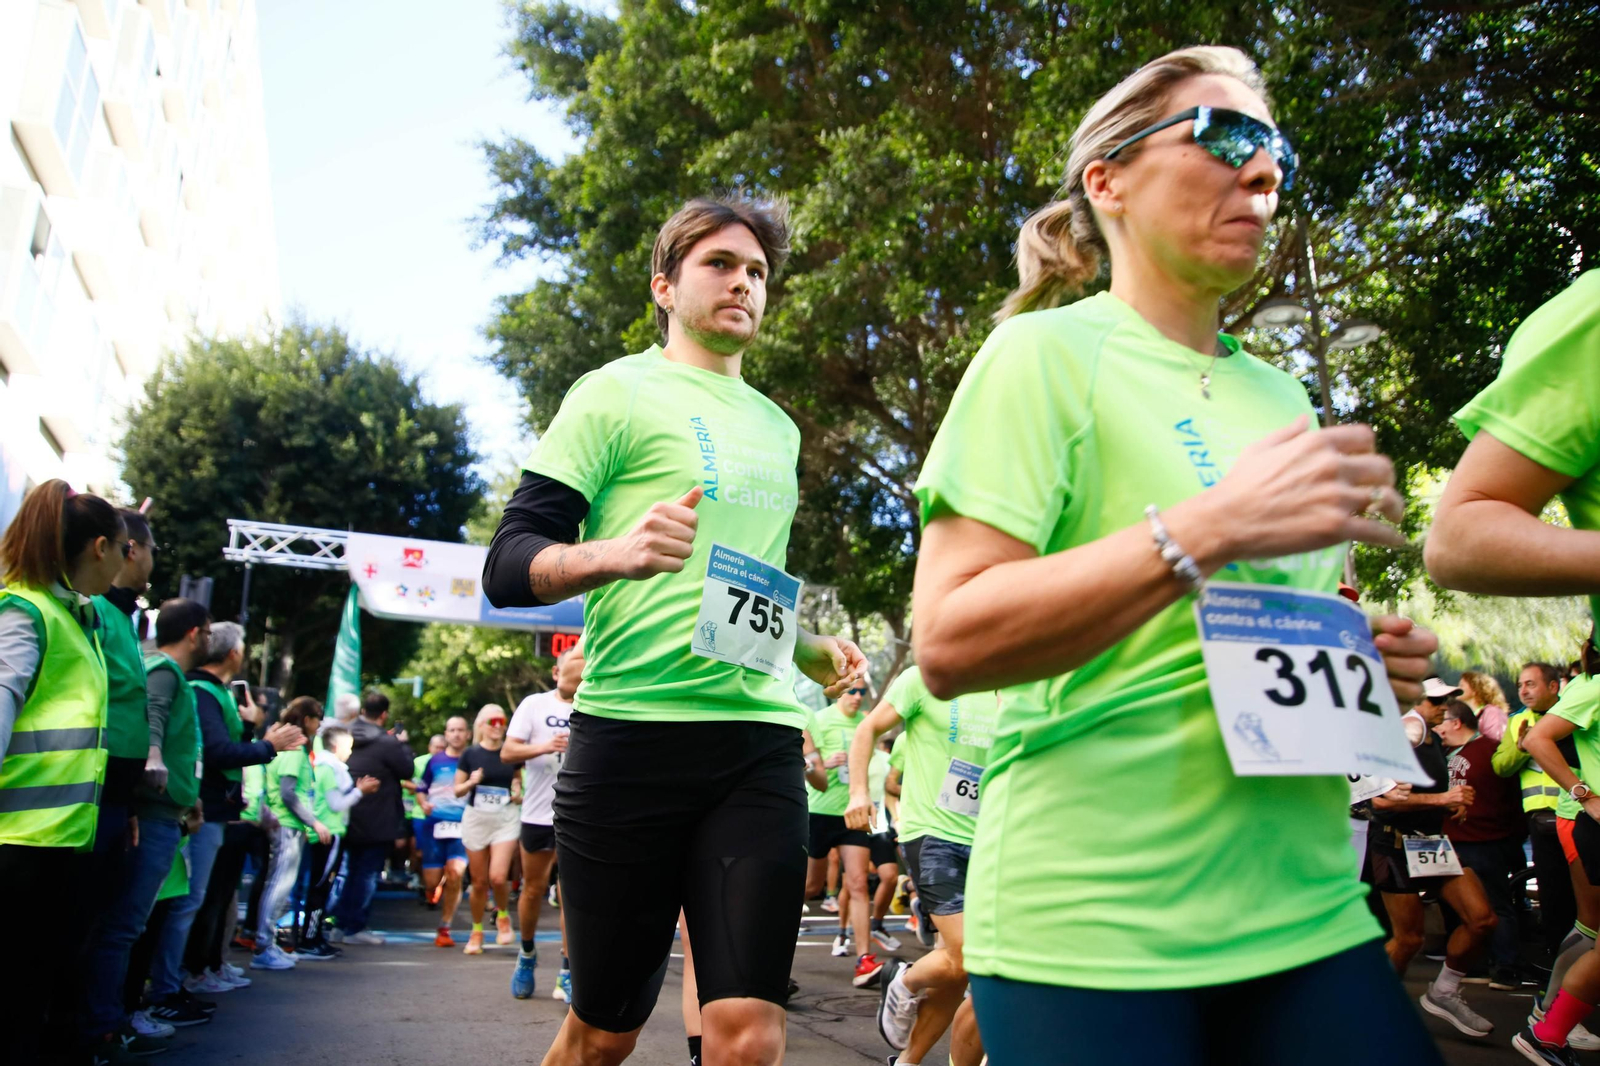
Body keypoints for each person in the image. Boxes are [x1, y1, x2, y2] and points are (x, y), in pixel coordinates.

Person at [907, 46, 1444, 1065]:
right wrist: (1209, 524)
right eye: (1226, 135)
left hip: (1306, 909)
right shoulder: (1043, 356)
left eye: (1274, 149)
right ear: (1105, 181)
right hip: (1097, 922)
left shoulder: (1283, 399)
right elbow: (949, 638)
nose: (1264, 170)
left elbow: (1242, 642)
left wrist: (1357, 655)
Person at [482, 193, 867, 1066]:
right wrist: (613, 553)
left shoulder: (778, 426)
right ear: (665, 285)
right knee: (603, 1034)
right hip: (630, 742)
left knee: (746, 1036)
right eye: (721, 265)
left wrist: (802, 646)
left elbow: (738, 584)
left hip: (755, 742)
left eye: (759, 273)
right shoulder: (614, 392)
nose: (745, 284)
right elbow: (508, 564)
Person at [0, 482, 126, 1062]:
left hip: (54, 845)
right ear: (99, 548)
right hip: (17, 849)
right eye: (125, 550)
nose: (128, 565)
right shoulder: (26, 611)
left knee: (32, 1000)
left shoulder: (75, 619)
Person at [847, 666, 992, 1066]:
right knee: (970, 958)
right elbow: (868, 730)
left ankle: (908, 1062)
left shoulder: (1016, 689)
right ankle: (903, 978)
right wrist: (860, 793)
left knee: (970, 976)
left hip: (989, 840)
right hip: (932, 835)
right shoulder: (927, 678)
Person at [83, 598, 211, 1041]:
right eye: (209, 631)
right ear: (195, 633)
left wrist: (185, 797)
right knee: (121, 928)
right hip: (152, 815)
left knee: (126, 926)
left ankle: (108, 1021)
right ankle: (104, 1026)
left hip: (164, 813)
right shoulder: (162, 669)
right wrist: (154, 759)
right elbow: (152, 721)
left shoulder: (165, 670)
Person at [160, 622, 303, 995]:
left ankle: (202, 968)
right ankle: (172, 984)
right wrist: (268, 744)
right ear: (234, 653)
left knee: (215, 899)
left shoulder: (214, 692)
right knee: (191, 901)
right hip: (199, 810)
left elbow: (222, 749)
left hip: (218, 812)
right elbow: (216, 752)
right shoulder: (200, 690)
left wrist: (251, 732)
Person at [1366, 687, 1497, 1037]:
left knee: (1482, 919)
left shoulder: (1432, 740)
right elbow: (1381, 802)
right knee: (1409, 939)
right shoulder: (1399, 734)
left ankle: (1444, 991)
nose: (1444, 707)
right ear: (1412, 704)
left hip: (1431, 844)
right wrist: (1443, 798)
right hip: (1392, 844)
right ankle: (1374, 1009)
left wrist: (1450, 803)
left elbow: (1426, 795)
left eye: (1446, 701)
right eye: (1435, 701)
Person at [1436, 699, 1530, 990]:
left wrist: (1511, 835)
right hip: (1449, 839)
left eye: (1441, 721)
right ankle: (1469, 963)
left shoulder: (1490, 748)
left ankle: (1506, 966)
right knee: (1455, 906)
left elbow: (1512, 796)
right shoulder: (1443, 753)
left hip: (1486, 840)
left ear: (1456, 722)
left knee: (1496, 903)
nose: (1436, 728)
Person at [1495, 662, 1582, 975]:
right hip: (1543, 821)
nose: (1523, 691)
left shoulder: (1576, 711)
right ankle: (1559, 970)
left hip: (1579, 815)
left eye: (1531, 684)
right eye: (1520, 684)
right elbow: (1501, 766)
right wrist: (1523, 748)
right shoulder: (1518, 720)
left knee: (1583, 897)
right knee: (1555, 896)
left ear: (1554, 686)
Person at [503, 650, 574, 998]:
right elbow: (507, 753)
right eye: (570, 666)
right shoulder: (534, 705)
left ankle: (567, 970)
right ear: (556, 671)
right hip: (537, 814)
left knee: (571, 895)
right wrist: (545, 746)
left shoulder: (595, 703)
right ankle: (527, 953)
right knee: (533, 889)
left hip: (578, 815)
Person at [801, 683, 882, 986]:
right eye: (852, 691)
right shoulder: (819, 719)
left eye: (862, 691)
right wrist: (825, 763)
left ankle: (864, 960)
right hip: (820, 811)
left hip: (853, 812)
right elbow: (813, 767)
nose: (858, 696)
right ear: (838, 693)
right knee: (810, 887)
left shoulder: (868, 721)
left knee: (859, 883)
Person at [330, 690, 415, 945]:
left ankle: (337, 924)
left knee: (344, 872)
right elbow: (407, 770)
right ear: (384, 715)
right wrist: (403, 743)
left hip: (344, 811)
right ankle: (354, 927)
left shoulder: (343, 734)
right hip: (378, 817)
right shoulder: (388, 742)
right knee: (366, 873)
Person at [252, 696, 326, 970]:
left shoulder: (292, 752)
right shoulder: (294, 752)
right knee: (278, 886)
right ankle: (263, 946)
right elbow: (288, 794)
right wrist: (314, 822)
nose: (319, 726)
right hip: (286, 827)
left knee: (278, 886)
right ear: (307, 720)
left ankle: (266, 944)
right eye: (317, 719)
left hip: (286, 825)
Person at [299, 722, 378, 957]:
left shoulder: (325, 766)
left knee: (321, 887)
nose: (351, 752)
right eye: (349, 747)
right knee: (320, 888)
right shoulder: (331, 768)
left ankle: (313, 937)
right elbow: (336, 804)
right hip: (328, 833)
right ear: (336, 746)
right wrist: (359, 792)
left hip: (328, 832)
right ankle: (309, 939)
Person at [456, 703, 523, 955]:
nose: (498, 727)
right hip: (477, 818)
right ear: (482, 725)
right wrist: (472, 781)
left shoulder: (511, 753)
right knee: (479, 882)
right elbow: (457, 789)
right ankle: (476, 931)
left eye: (501, 722)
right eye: (493, 722)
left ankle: (503, 915)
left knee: (498, 877)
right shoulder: (470, 754)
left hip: (505, 818)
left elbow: (517, 781)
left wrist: (517, 791)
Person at [417, 716, 469, 946]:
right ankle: (432, 890)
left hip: (464, 825)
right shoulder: (435, 761)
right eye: (452, 730)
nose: (456, 734)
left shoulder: (473, 760)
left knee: (455, 873)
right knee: (432, 880)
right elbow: (421, 788)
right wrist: (423, 803)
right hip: (435, 825)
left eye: (460, 730)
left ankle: (444, 928)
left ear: (467, 734)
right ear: (446, 734)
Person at [407, 732, 445, 903]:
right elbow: (406, 783)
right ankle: (424, 883)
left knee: (442, 853)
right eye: (436, 747)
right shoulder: (419, 762)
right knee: (421, 852)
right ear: (430, 747)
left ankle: (436, 888)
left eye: (442, 748)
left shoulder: (452, 762)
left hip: (444, 814)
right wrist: (422, 793)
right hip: (420, 813)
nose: (439, 751)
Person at [1460, 670, 1512, 743]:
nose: (1458, 688)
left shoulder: (1492, 712)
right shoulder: (1465, 715)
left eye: (1462, 685)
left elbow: (1495, 741)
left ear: (1475, 688)